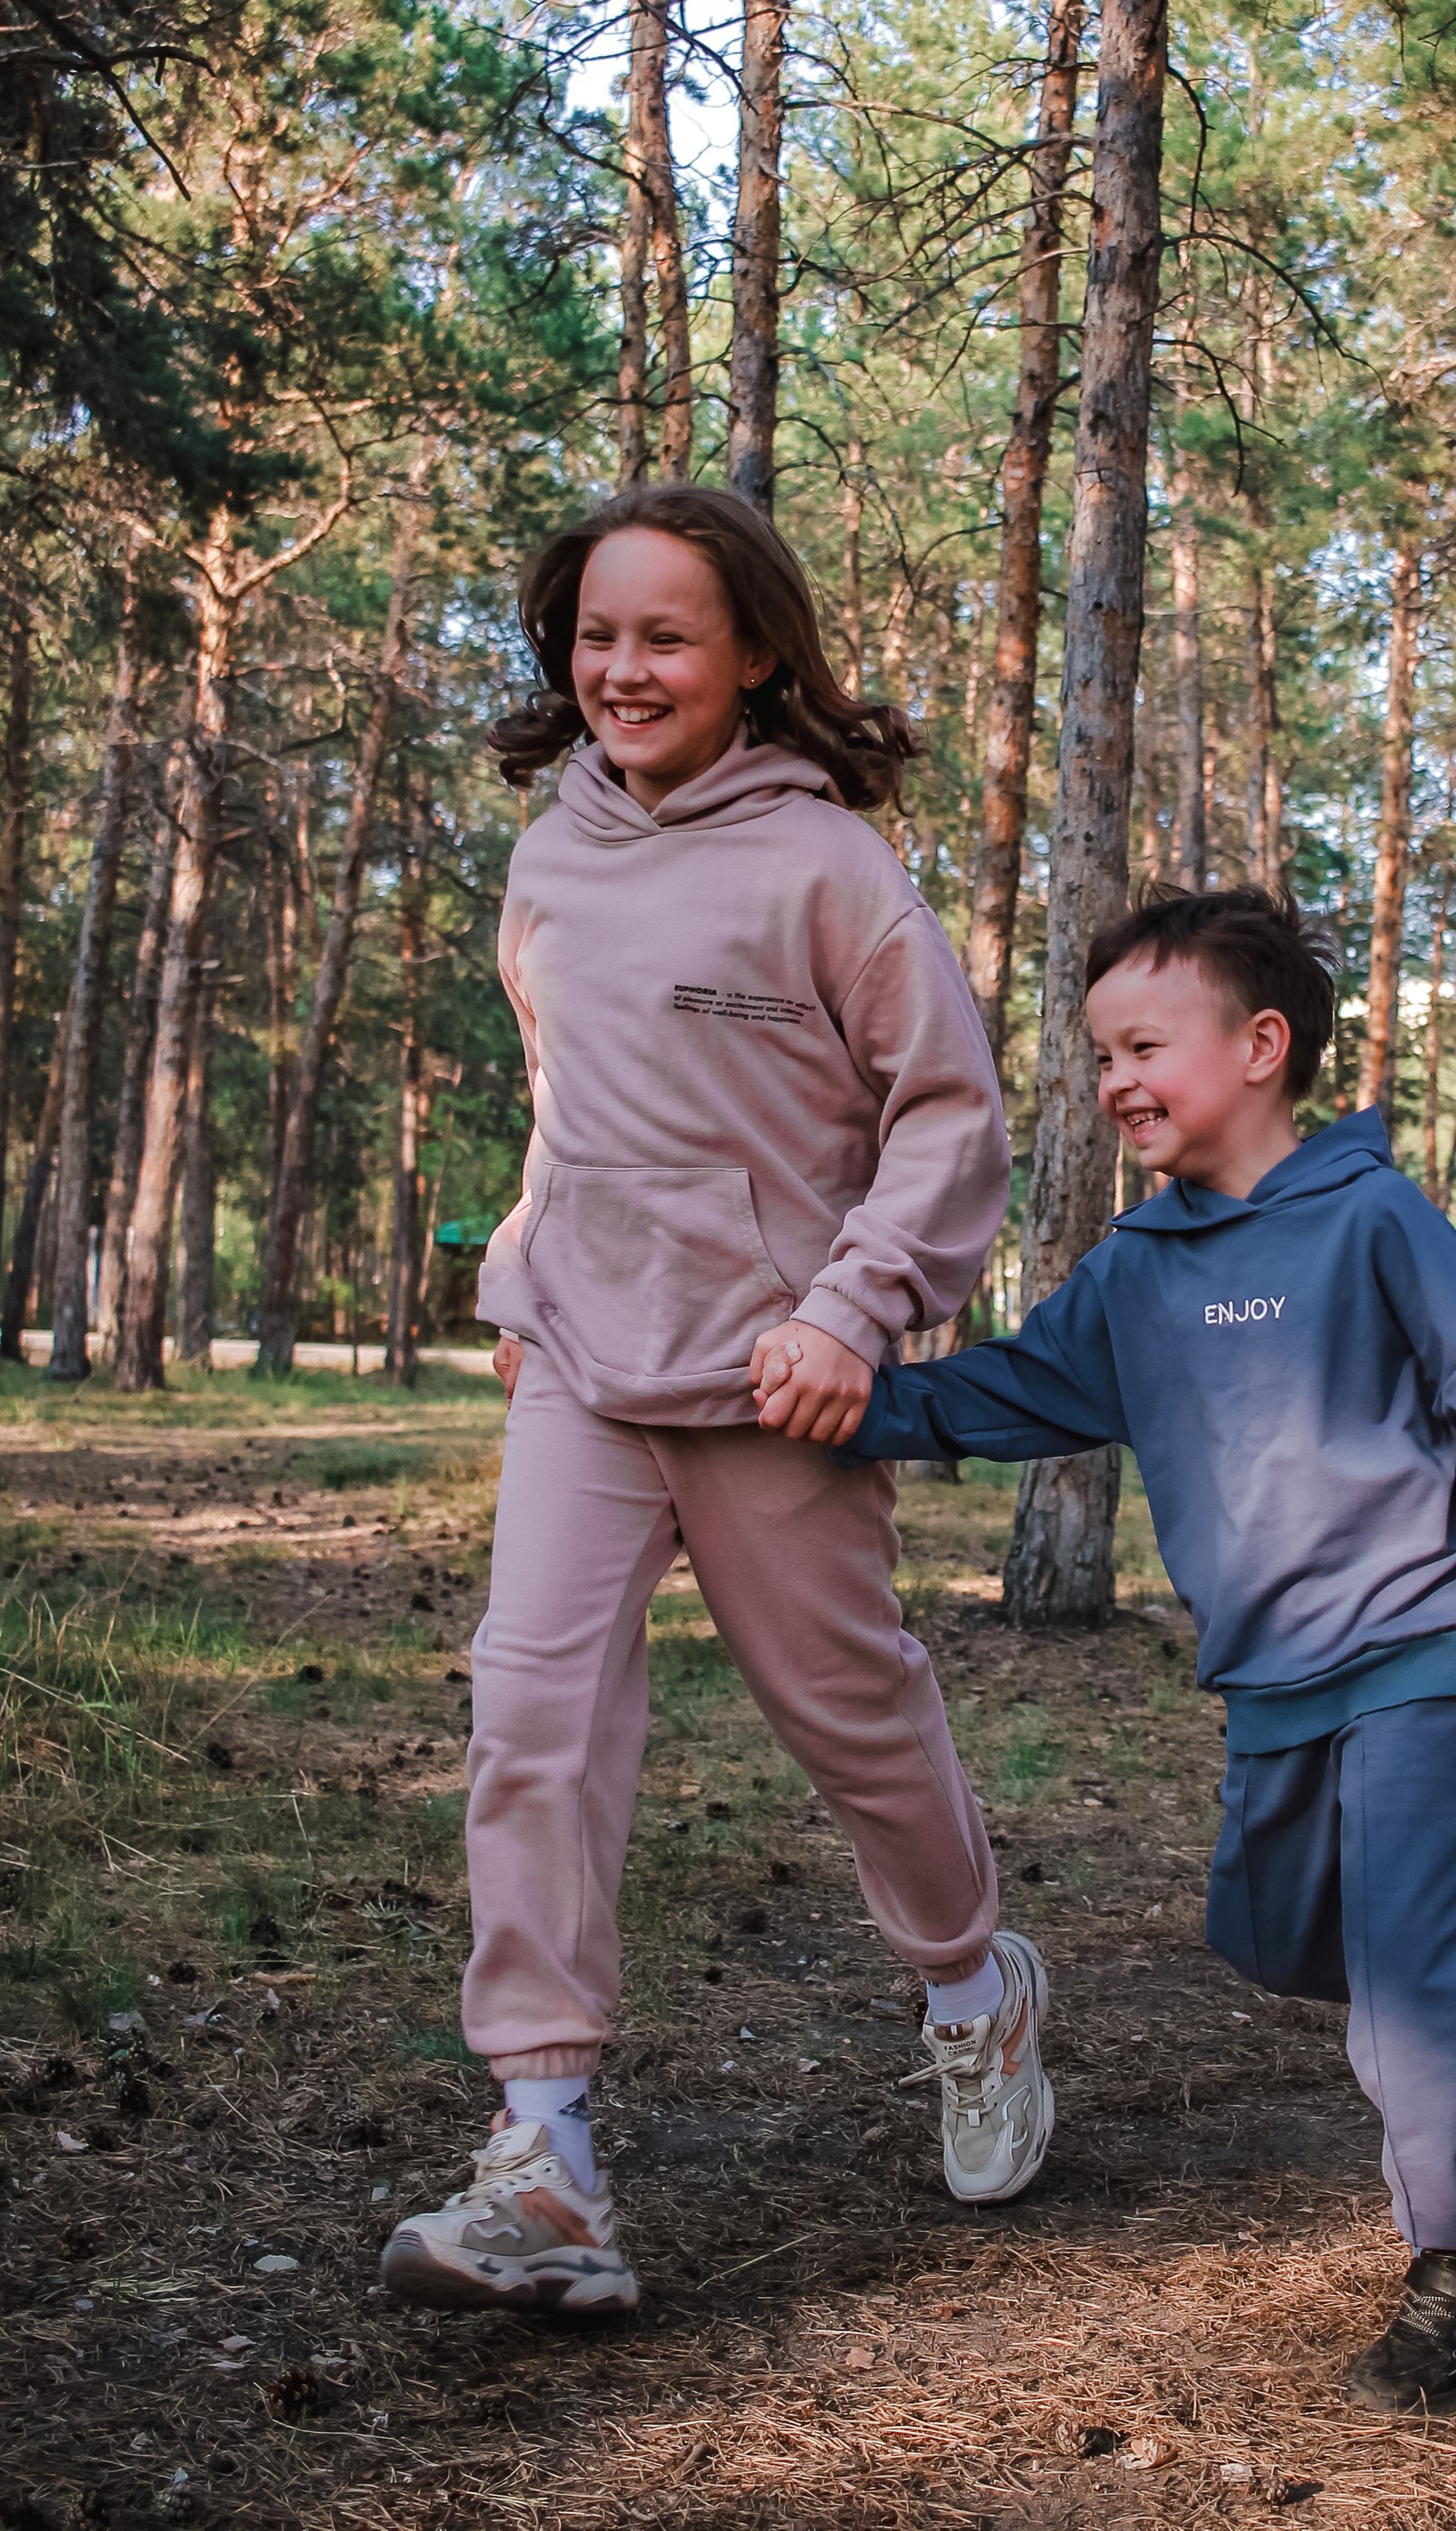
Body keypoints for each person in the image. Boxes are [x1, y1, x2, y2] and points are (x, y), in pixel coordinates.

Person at [757, 883, 1456, 2409]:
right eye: (1099, 1058)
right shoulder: (1138, 1268)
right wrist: (854, 1402)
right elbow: (1012, 1390)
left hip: (1436, 1651)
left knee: (1416, 1987)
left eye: (1144, 1045)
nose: (1114, 1084)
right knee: (1293, 1942)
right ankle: (1425, 2093)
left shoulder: (1373, 1219)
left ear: (1264, 1045)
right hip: (1275, 1685)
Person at [379, 485, 1053, 2317]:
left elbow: (946, 1113)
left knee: (848, 1721)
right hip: (583, 1368)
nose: (623, 669)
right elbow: (572, 1099)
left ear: (753, 654)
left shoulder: (827, 867)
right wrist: (526, 1264)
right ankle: (544, 2155)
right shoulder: (548, 859)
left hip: (777, 1381)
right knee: (530, 1717)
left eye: (663, 636)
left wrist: (854, 1312)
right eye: (597, 636)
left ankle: (973, 1993)